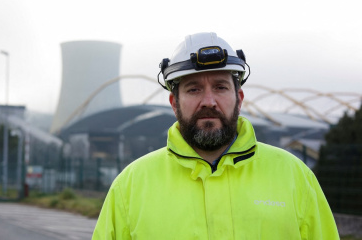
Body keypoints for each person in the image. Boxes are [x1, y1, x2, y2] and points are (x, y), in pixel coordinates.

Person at [92, 32, 339, 239]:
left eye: (220, 87)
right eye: (194, 89)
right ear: (174, 103)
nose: (208, 101)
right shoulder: (130, 186)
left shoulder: (295, 177)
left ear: (239, 99)